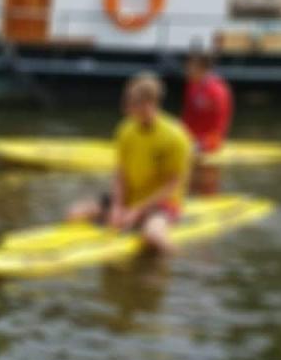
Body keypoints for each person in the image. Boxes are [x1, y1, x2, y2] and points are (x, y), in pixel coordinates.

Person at [69, 72, 192, 254]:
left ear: (149, 103)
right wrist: (118, 207)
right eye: (127, 101)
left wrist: (137, 211)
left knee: (153, 237)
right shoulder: (125, 130)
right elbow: (120, 174)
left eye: (132, 103)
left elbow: (172, 185)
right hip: (130, 198)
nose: (126, 108)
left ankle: (182, 256)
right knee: (75, 214)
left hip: (163, 203)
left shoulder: (176, 136)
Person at [181, 51, 233, 157]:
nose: (186, 70)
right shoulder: (191, 86)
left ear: (201, 68)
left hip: (210, 141)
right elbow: (187, 117)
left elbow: (218, 123)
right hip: (192, 138)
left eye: (190, 67)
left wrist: (201, 142)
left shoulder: (217, 90)